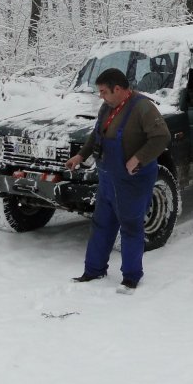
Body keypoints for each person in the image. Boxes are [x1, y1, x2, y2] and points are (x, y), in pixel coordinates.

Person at [65, 67, 170, 292]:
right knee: (102, 223)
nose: (100, 96)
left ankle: (131, 277)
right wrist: (81, 155)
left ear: (118, 89)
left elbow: (162, 137)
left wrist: (138, 159)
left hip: (133, 179)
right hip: (107, 176)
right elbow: (97, 134)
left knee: (130, 226)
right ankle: (94, 270)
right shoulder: (107, 107)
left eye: (104, 91)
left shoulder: (143, 107)